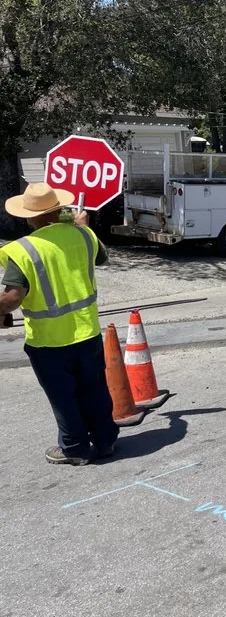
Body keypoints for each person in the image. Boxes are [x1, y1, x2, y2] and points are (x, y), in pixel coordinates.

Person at [0, 183, 117, 465]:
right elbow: (102, 257)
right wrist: (83, 226)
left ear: (29, 217)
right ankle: (104, 442)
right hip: (87, 332)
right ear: (58, 210)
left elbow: (12, 298)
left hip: (49, 341)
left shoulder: (24, 249)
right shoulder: (83, 235)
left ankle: (75, 448)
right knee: (95, 390)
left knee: (63, 397)